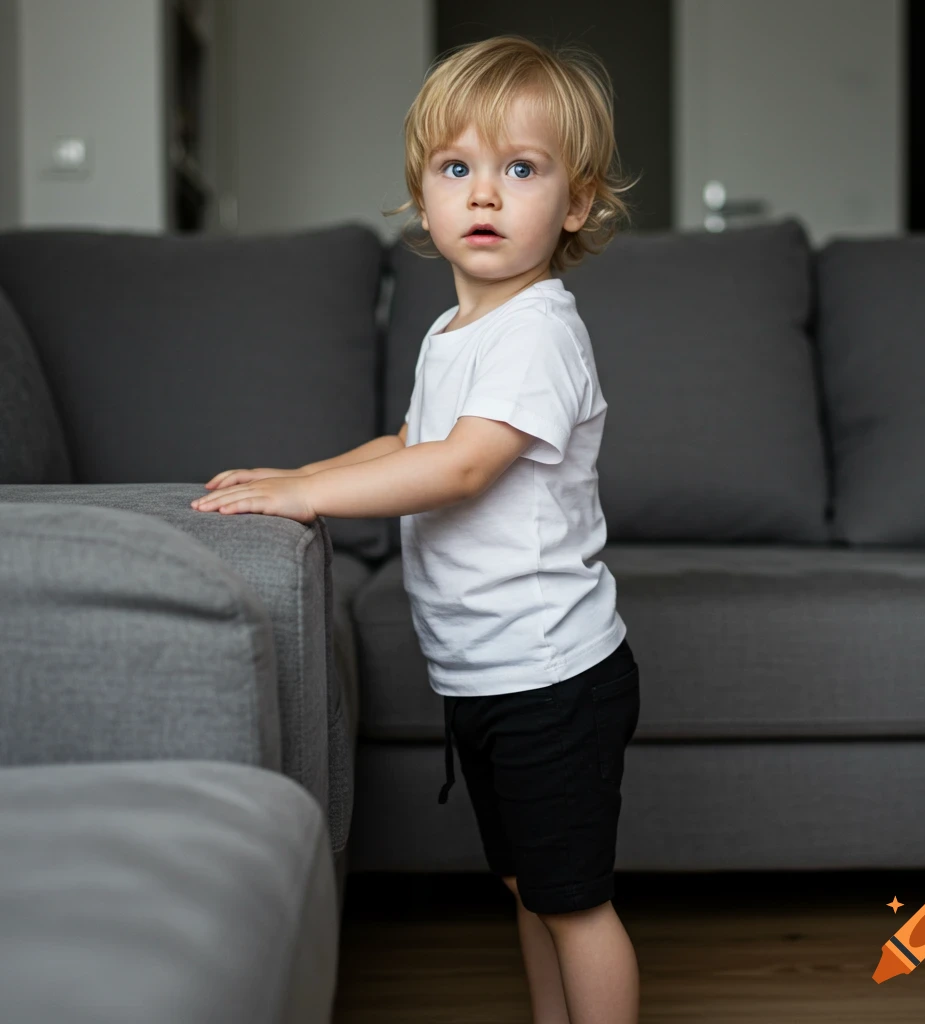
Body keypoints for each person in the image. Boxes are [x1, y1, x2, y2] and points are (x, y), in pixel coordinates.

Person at [192, 33, 642, 1024]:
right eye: (456, 168)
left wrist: (312, 500)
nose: (484, 194)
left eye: (520, 169)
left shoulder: (539, 331)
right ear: (423, 198)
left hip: (551, 675)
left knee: (574, 903)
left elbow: (463, 464)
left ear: (574, 204)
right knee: (528, 888)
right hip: (486, 673)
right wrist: (303, 475)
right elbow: (411, 441)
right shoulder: (452, 332)